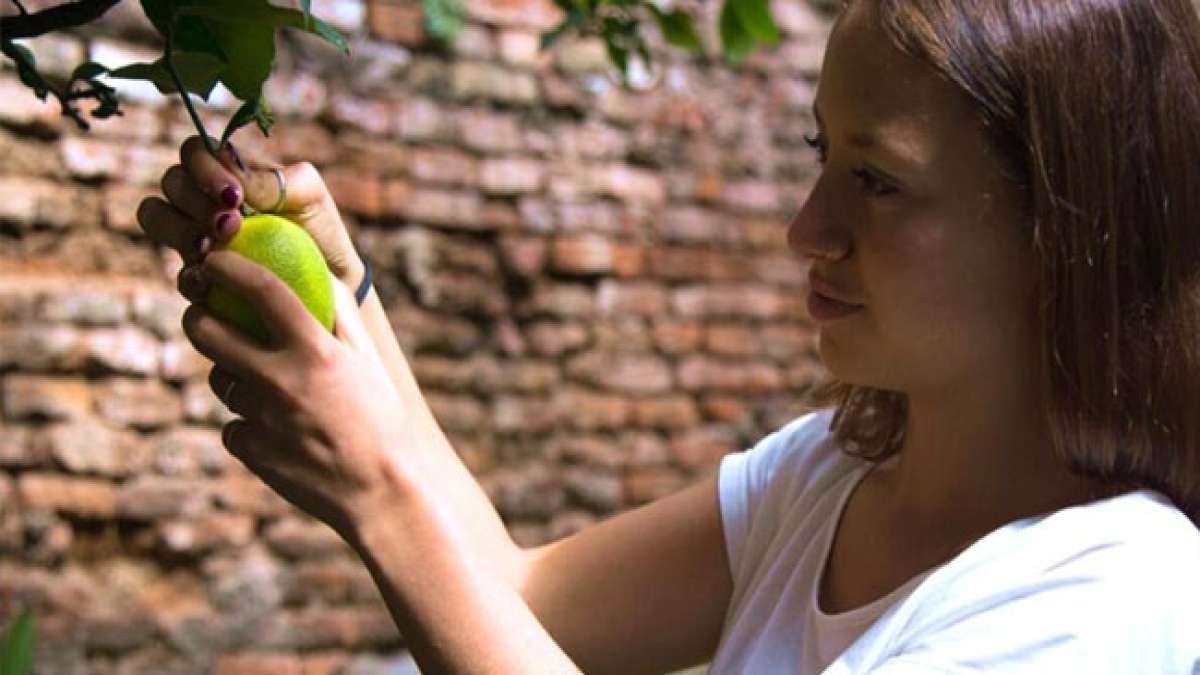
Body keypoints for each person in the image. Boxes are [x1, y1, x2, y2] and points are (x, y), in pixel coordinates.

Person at [136, 0, 1200, 671]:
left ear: (1064, 232)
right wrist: (342, 294)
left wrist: (377, 488)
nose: (804, 230)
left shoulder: (1111, 601)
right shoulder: (829, 479)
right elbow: (522, 600)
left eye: (875, 181)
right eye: (818, 157)